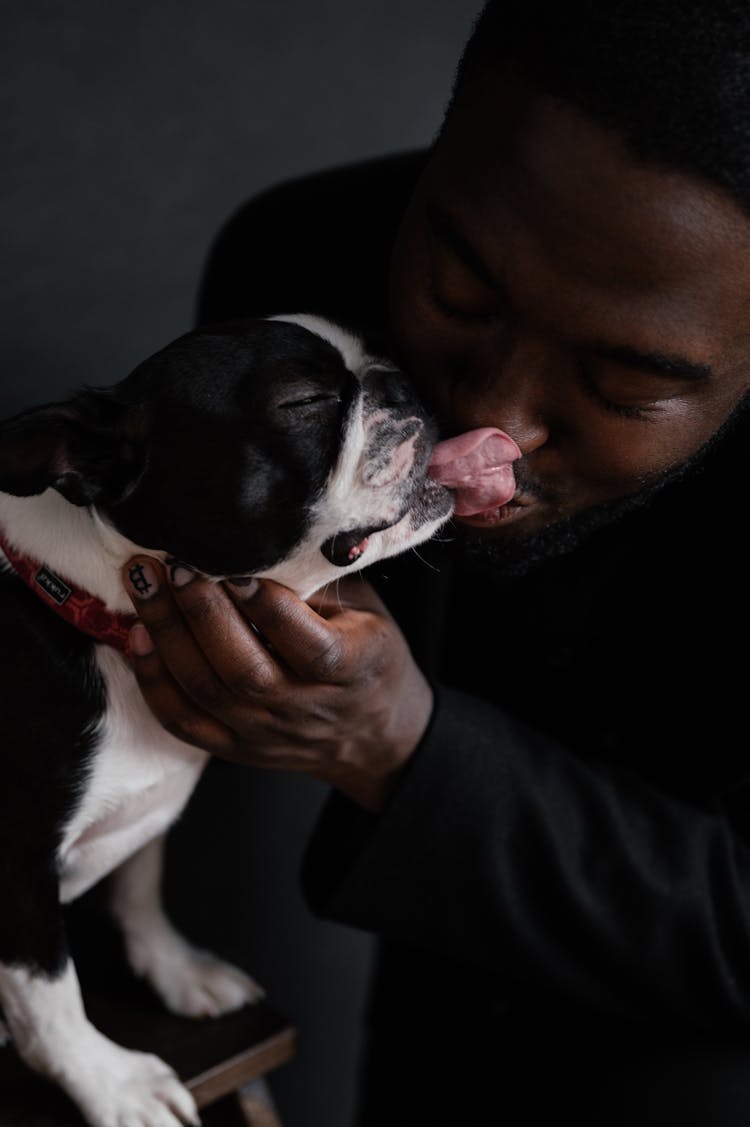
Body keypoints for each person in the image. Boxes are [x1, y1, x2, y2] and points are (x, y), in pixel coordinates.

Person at [121, 1, 750, 1122]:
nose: (484, 429)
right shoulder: (302, 269)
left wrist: (401, 748)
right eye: (461, 292)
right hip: (427, 997)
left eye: (622, 383)